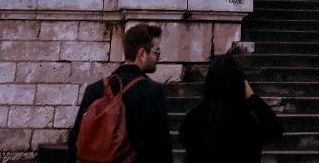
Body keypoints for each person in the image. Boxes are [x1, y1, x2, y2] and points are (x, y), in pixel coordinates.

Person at [68, 22, 171, 163]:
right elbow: (160, 149)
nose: (158, 57)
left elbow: (75, 140)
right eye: (156, 52)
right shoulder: (153, 92)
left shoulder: (94, 89)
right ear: (141, 53)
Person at [179, 53, 282, 163]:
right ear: (240, 84)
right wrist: (252, 97)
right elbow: (275, 129)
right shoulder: (249, 121)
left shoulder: (194, 119)